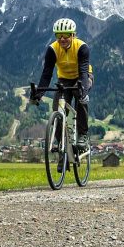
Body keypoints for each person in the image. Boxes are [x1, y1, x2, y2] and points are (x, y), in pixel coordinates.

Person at [31, 17, 94, 153]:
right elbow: (47, 74)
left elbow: (83, 71)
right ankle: (62, 146)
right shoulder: (52, 49)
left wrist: (84, 91)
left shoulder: (82, 47)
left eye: (66, 35)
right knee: (57, 110)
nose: (62, 39)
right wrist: (39, 93)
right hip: (64, 80)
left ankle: (82, 135)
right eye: (59, 36)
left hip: (82, 77)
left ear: (73, 35)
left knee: (81, 99)